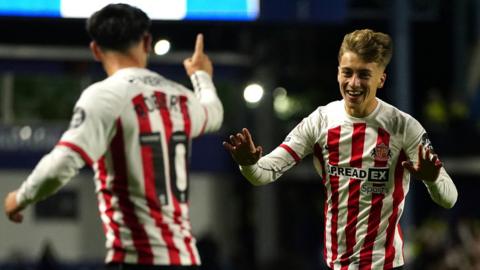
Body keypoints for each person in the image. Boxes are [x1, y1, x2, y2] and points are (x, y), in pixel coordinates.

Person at [4, 3, 223, 270]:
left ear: (95, 50)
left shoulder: (106, 95)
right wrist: (201, 76)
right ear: (147, 42)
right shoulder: (181, 97)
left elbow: (62, 164)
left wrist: (19, 198)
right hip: (186, 259)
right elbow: (214, 113)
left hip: (136, 258)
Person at [223, 29, 457, 270]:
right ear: (338, 73)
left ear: (381, 79)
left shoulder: (404, 127)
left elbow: (450, 198)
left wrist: (432, 180)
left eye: (364, 75)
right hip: (336, 265)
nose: (353, 83)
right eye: (347, 73)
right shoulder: (320, 121)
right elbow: (263, 174)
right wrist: (248, 164)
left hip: (384, 265)